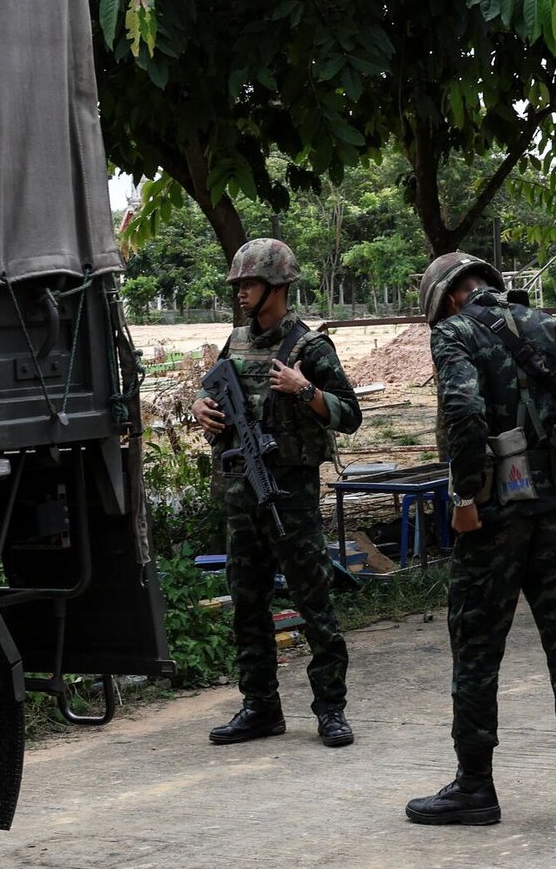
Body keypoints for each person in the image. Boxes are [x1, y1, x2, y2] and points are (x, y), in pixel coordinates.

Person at [405, 252, 556, 826]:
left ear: (448, 297)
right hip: (555, 512)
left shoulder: (454, 333)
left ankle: (475, 787)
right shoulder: (551, 325)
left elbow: (464, 411)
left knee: (477, 648)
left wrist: (463, 499)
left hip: (494, 520)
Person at [190, 239, 363, 747]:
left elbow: (350, 415)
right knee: (247, 603)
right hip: (241, 493)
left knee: (314, 604)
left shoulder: (310, 349)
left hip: (290, 494)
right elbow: (210, 389)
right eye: (239, 285)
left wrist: (303, 390)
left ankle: (331, 709)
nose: (241, 293)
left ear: (277, 286)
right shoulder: (236, 342)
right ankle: (260, 706)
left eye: (249, 284)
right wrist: (201, 407)